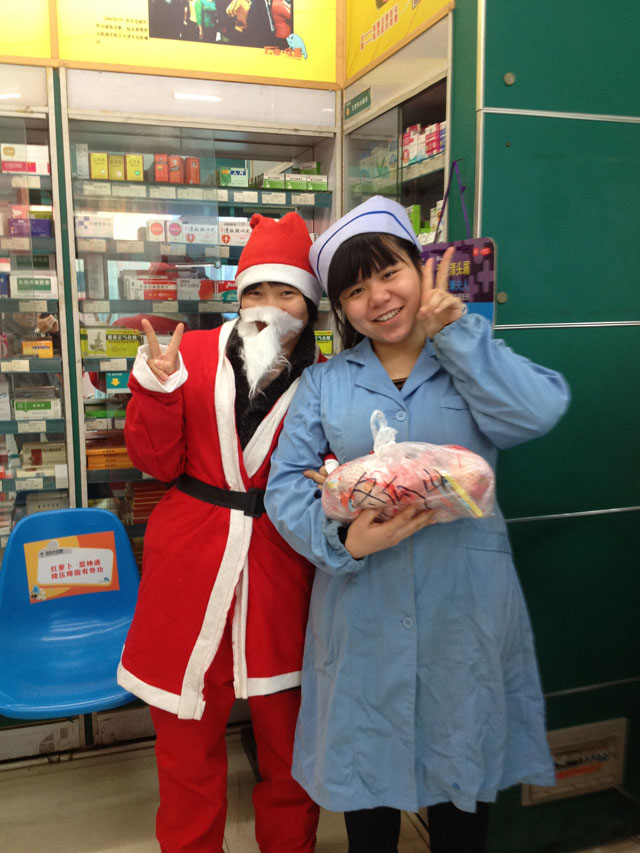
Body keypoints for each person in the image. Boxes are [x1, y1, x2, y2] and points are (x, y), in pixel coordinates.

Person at [265, 196, 571, 853]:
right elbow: (285, 486)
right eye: (354, 290)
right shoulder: (325, 384)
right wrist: (345, 540)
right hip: (363, 604)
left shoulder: (469, 356)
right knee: (367, 795)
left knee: (462, 784)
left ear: (420, 268)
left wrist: (455, 332)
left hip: (464, 602)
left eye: (389, 273)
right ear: (340, 307)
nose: (377, 298)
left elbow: (537, 412)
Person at [117, 211, 323, 852]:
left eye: (287, 292)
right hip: (191, 565)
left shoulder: (329, 375)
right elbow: (156, 464)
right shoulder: (190, 355)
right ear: (237, 296)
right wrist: (156, 390)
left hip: (284, 569)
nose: (269, 306)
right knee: (186, 754)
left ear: (311, 304)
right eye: (255, 291)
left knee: (292, 752)